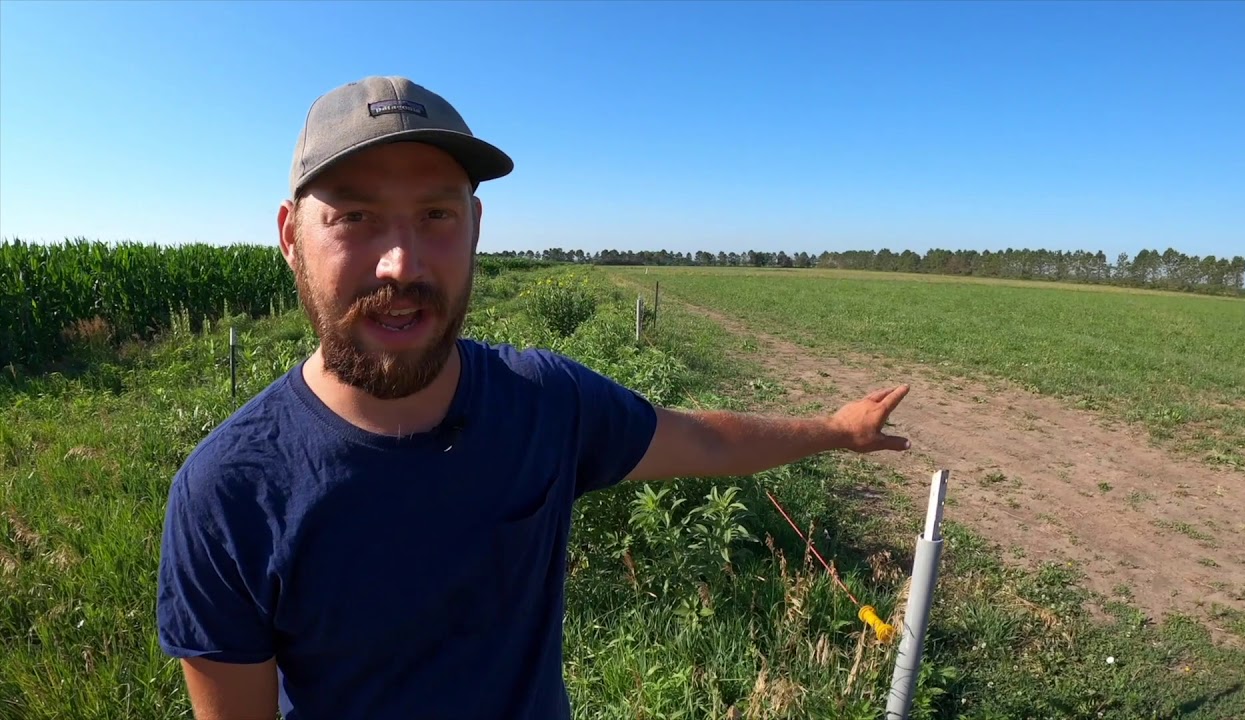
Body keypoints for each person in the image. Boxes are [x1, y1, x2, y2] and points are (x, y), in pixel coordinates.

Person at [155, 75, 912, 720]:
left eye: (436, 215)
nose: (401, 262)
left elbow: (706, 441)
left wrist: (836, 430)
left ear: (476, 226)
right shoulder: (228, 495)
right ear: (291, 236)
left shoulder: (545, 404)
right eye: (353, 217)